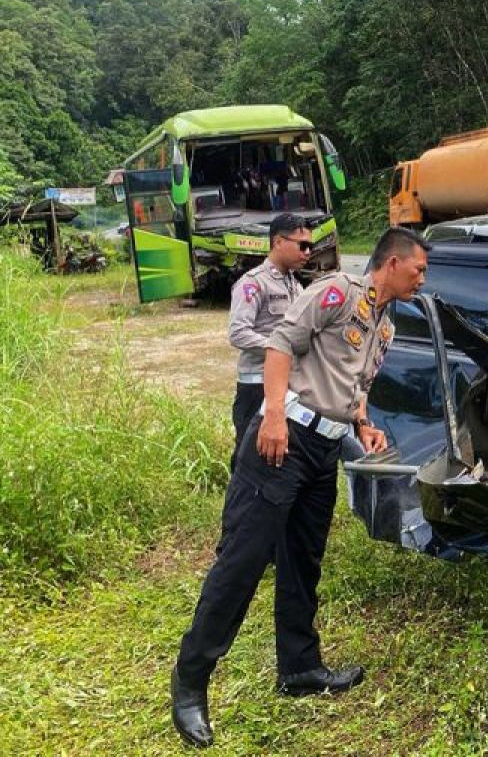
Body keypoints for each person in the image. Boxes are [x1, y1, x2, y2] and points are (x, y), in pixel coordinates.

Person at [170, 228, 430, 748]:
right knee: (243, 561)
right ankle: (190, 681)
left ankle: (299, 668)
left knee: (303, 559)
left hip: (324, 451)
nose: (423, 277)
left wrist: (362, 423)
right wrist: (270, 415)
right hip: (282, 442)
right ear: (393, 262)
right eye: (419, 268)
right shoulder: (336, 293)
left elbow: (353, 383)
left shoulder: (384, 325)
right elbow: (280, 344)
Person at [226, 213, 311, 476]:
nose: (308, 252)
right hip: (256, 385)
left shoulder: (296, 285)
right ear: (277, 242)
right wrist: (279, 351)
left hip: (286, 384)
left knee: (279, 455)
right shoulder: (253, 283)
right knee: (248, 456)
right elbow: (238, 332)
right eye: (302, 245)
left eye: (310, 246)